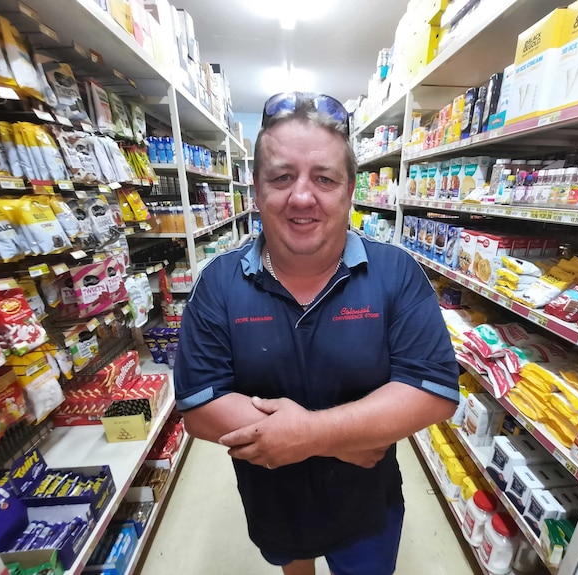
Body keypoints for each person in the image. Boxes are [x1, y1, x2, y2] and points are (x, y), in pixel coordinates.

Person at [174, 91, 459, 575]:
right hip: (273, 496)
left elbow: (432, 391)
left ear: (350, 191)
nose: (302, 196)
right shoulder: (219, 282)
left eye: (324, 179)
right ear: (257, 191)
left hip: (368, 504)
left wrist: (309, 434)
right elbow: (199, 406)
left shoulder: (395, 273)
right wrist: (332, 439)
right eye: (282, 177)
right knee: (294, 565)